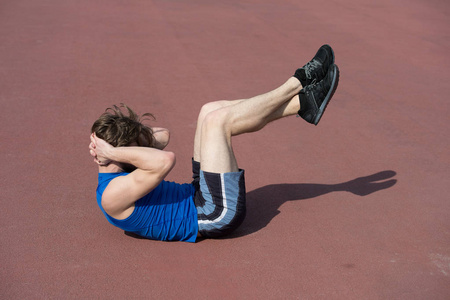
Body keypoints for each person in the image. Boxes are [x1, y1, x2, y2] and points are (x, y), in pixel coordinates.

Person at [89, 45, 340, 242]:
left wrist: (116, 150)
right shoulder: (111, 194)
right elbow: (165, 159)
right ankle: (297, 82)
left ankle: (303, 105)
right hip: (213, 214)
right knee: (218, 122)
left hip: (199, 193)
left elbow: (163, 135)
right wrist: (112, 150)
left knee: (209, 110)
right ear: (118, 154)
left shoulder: (124, 164)